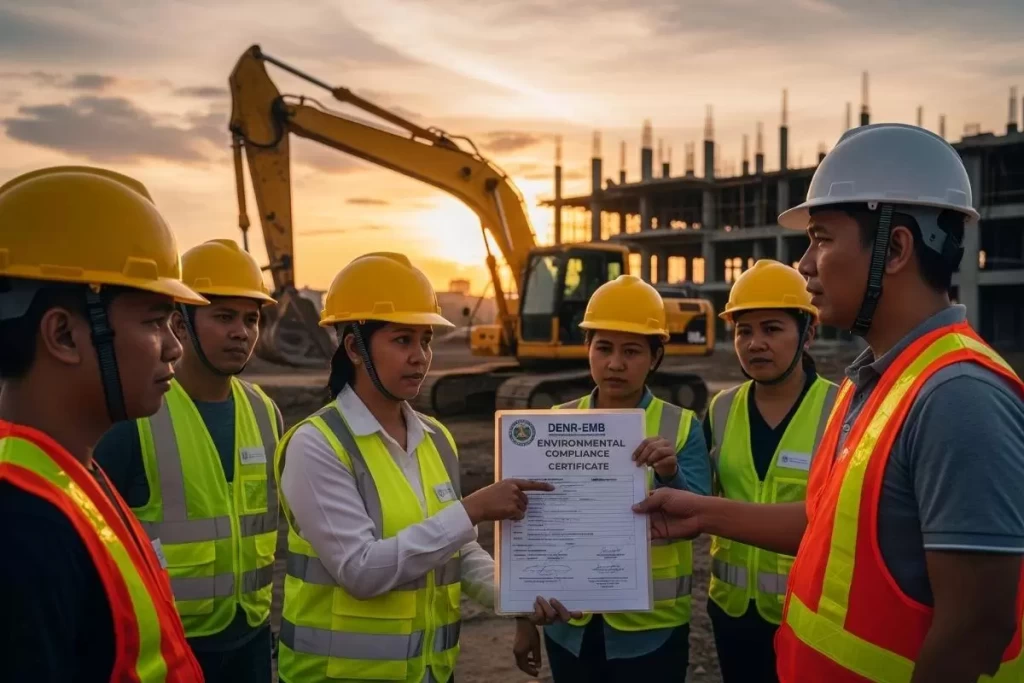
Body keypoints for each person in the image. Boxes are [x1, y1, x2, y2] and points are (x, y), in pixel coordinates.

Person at [633, 123, 1024, 683]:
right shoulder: (869, 384)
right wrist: (703, 513)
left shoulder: (959, 395)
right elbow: (829, 527)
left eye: (821, 237)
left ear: (894, 249)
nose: (805, 264)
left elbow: (977, 627)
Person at [274, 251, 579, 683]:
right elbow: (361, 571)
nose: (420, 356)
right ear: (354, 349)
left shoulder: (435, 437)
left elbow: (459, 549)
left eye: (426, 340)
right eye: (403, 340)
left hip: (430, 673)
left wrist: (516, 597)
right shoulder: (317, 445)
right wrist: (472, 510)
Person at [0, 165, 207, 681]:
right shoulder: (20, 529)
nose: (176, 347)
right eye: (154, 321)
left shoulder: (69, 477)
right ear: (65, 336)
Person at [94, 238, 284, 682]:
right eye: (224, 316)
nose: (242, 332)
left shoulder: (265, 413)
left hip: (252, 641)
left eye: (251, 319)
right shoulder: (135, 418)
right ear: (180, 324)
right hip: (164, 649)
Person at [511, 274, 712, 681]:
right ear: (587, 348)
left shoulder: (681, 426)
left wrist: (670, 474)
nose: (615, 363)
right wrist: (523, 620)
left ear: (655, 357)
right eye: (603, 348)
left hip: (650, 632)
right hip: (571, 626)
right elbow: (530, 529)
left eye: (632, 351)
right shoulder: (555, 424)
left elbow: (696, 523)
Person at [702, 259, 838, 683]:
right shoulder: (721, 408)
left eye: (772, 328)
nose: (755, 343)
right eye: (744, 331)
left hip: (809, 615)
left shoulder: (841, 410)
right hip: (731, 612)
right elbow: (697, 492)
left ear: (808, 334)